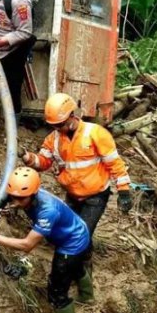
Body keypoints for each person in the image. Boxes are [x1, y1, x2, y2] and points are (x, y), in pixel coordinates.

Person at [21, 92, 132, 274]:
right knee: (71, 233)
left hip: (95, 197)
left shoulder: (95, 134)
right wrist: (29, 158)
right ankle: (79, 264)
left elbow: (115, 164)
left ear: (72, 116)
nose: (59, 129)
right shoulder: (54, 139)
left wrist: (124, 191)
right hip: (72, 195)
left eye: (61, 124)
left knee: (81, 235)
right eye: (55, 126)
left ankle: (83, 269)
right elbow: (44, 162)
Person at [0, 167, 93, 313]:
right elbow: (9, 197)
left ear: (33, 194)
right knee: (75, 267)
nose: (16, 201)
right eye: (13, 196)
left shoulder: (48, 210)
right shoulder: (21, 193)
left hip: (73, 242)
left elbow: (27, 245)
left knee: (56, 291)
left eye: (21, 198)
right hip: (76, 230)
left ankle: (77, 300)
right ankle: (88, 297)